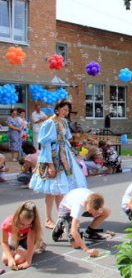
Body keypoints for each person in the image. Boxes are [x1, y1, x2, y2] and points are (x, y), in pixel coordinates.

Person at [29, 99, 87, 230]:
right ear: (57, 109)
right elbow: (45, 144)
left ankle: (62, 218)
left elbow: (67, 139)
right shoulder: (50, 123)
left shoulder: (64, 121)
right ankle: (48, 219)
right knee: (51, 191)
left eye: (67, 110)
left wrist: (74, 152)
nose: (66, 112)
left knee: (60, 191)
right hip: (53, 157)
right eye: (64, 109)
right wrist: (50, 165)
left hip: (64, 157)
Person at [51, 188, 111, 257]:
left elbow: (99, 208)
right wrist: (87, 250)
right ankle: (61, 224)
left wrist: (97, 212)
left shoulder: (96, 199)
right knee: (76, 244)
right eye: (92, 211)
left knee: (106, 211)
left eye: (95, 212)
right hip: (66, 209)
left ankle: (89, 233)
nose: (94, 214)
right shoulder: (78, 207)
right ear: (86, 203)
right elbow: (74, 231)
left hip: (81, 203)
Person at [1, 201, 43, 270]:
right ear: (17, 218)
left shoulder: (32, 225)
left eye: (28, 224)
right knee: (5, 259)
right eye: (22, 224)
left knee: (18, 260)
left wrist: (28, 262)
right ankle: (17, 250)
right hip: (14, 238)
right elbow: (4, 242)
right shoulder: (7, 223)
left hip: (26, 239)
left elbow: (30, 244)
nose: (24, 227)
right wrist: (10, 259)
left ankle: (38, 244)